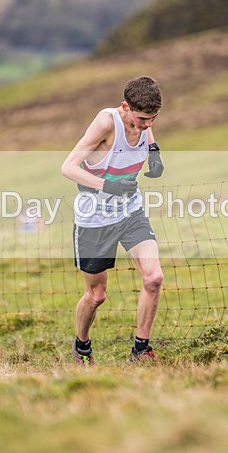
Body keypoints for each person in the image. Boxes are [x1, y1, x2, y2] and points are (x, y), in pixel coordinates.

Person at [61, 76, 165, 366]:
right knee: (96, 295)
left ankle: (140, 350)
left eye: (153, 118)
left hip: (130, 212)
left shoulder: (144, 120)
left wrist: (153, 151)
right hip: (95, 217)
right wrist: (106, 186)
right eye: (142, 118)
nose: (147, 124)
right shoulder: (107, 123)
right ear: (125, 107)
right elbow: (67, 167)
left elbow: (147, 127)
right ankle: (82, 345)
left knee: (154, 278)